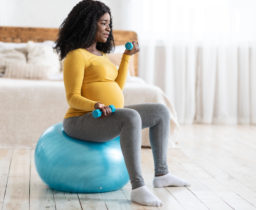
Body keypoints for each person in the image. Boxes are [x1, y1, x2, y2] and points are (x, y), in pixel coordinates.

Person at [54, 0, 189, 207]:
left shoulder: (102, 55)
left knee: (160, 111)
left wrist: (126, 57)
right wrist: (95, 105)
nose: (109, 29)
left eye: (110, 23)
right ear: (89, 23)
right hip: (80, 120)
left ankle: (162, 174)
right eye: (103, 23)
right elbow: (72, 97)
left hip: (108, 115)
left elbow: (117, 85)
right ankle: (138, 187)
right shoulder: (75, 56)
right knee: (131, 116)